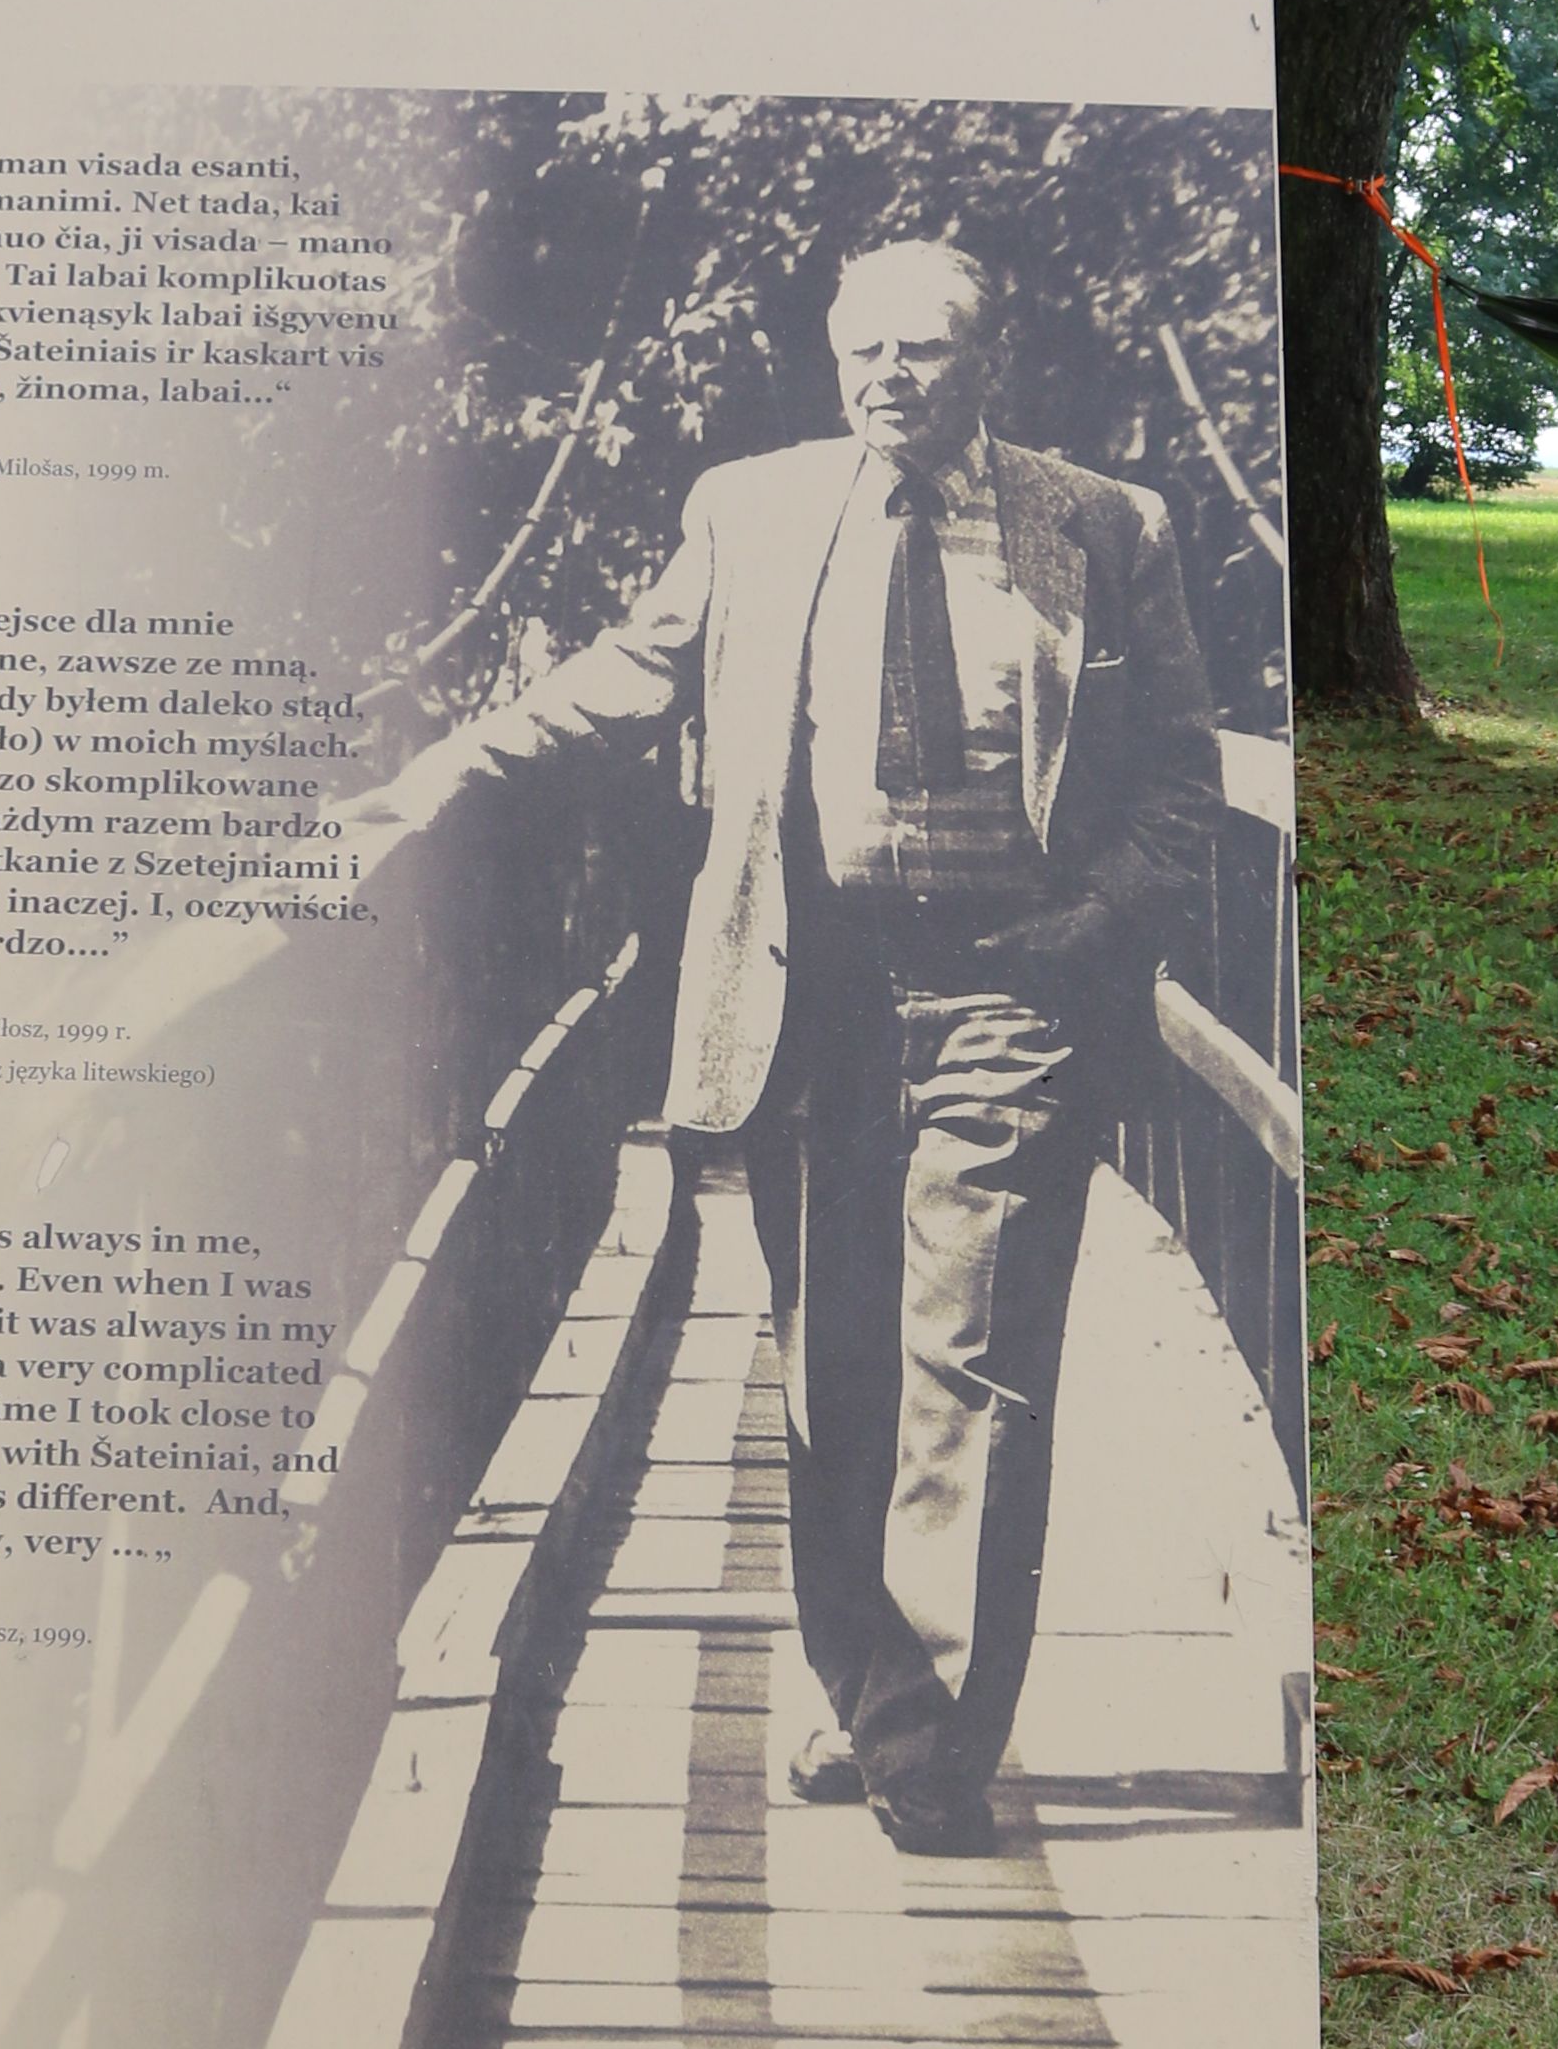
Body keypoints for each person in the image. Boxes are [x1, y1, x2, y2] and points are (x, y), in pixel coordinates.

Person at [361, 235, 1219, 1848]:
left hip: (1009, 992)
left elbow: (1182, 779)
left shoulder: (1102, 525)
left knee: (968, 1358)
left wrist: (1092, 931)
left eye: (927, 350)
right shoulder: (746, 509)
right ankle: (873, 1690)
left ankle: (929, 1749)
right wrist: (424, 785)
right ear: (838, 364)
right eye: (866, 353)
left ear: (990, 361)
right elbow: (623, 682)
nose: (891, 377)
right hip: (810, 992)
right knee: (830, 1375)